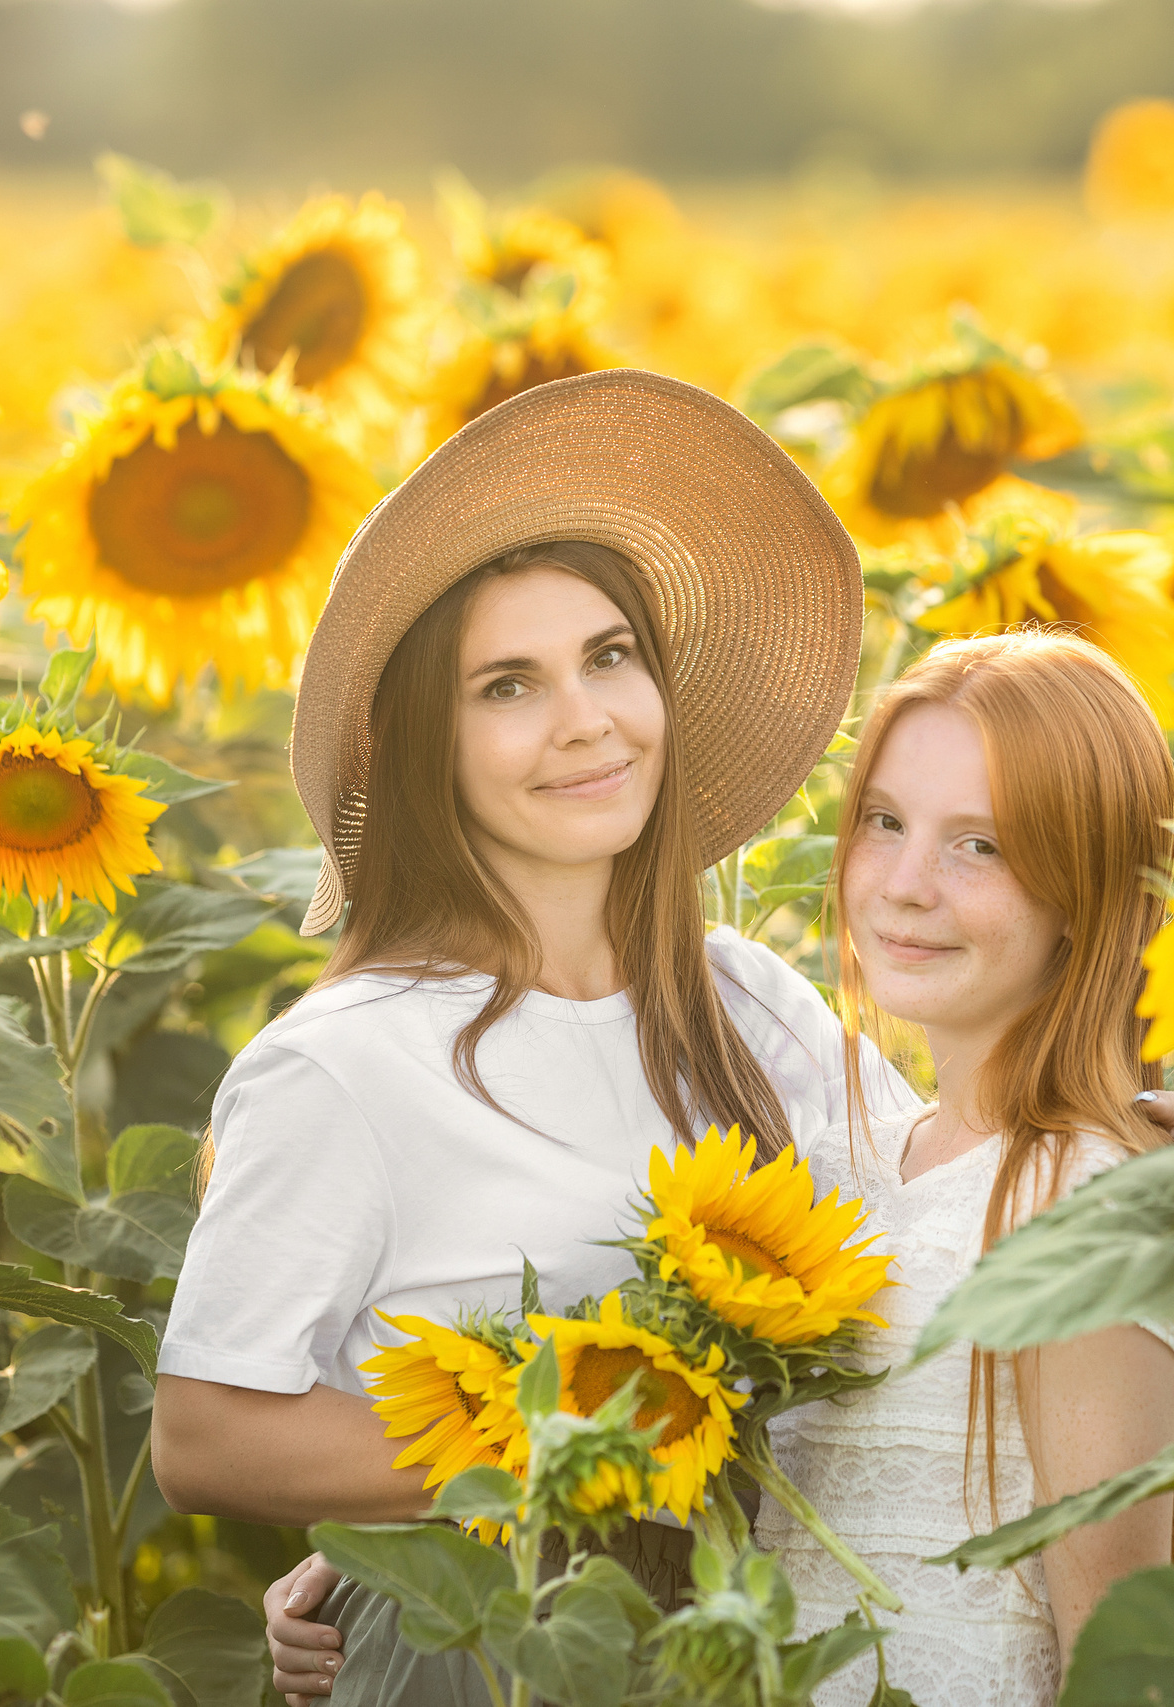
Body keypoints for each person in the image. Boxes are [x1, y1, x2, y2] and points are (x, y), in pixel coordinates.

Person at [154, 369, 890, 1703]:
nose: (585, 720)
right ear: (427, 742)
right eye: (509, 684)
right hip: (493, 1653)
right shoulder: (347, 1063)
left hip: (760, 1636)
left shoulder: (749, 999)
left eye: (609, 655)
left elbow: (930, 1234)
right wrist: (555, 1434)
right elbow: (206, 1431)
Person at [749, 629, 1174, 1705]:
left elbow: (1124, 1659)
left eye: (981, 846)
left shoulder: (1087, 1199)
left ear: (1089, 888)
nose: (905, 886)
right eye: (884, 822)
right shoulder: (840, 1162)